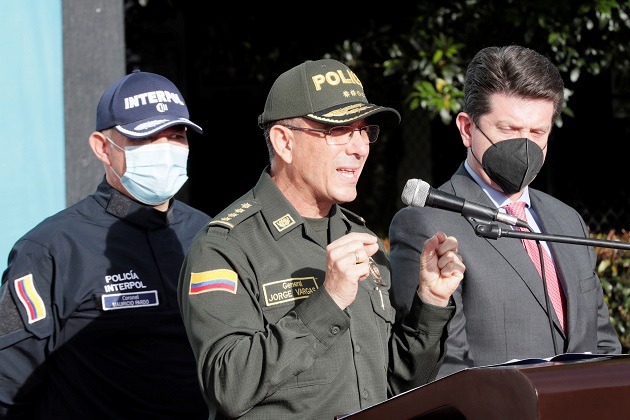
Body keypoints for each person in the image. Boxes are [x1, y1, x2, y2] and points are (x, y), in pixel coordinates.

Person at [177, 58, 465, 419]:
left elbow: (396, 387)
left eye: (364, 130)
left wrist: (431, 302)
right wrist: (327, 302)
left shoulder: (358, 236)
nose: (360, 147)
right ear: (284, 142)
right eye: (338, 130)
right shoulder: (224, 247)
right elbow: (226, 386)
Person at [388, 45, 622, 380]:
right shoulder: (427, 225)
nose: (525, 146)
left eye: (537, 132)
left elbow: (603, 346)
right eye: (509, 130)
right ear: (468, 129)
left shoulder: (567, 220)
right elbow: (443, 374)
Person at [0, 70, 211, 418]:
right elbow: (8, 385)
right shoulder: (51, 249)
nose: (166, 151)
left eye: (176, 136)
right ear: (102, 148)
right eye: (146, 138)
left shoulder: (209, 233)